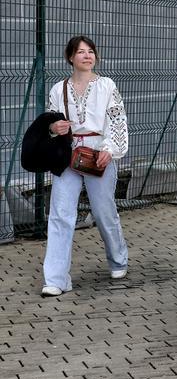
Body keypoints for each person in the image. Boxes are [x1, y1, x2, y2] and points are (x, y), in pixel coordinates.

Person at [41, 36, 129, 297]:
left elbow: (117, 119)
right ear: (71, 57)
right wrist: (54, 127)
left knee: (103, 212)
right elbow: (49, 121)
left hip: (99, 153)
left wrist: (109, 149)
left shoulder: (106, 85)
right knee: (60, 214)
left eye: (91, 51)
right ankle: (56, 279)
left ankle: (118, 259)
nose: (87, 56)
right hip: (68, 155)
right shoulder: (58, 89)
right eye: (81, 52)